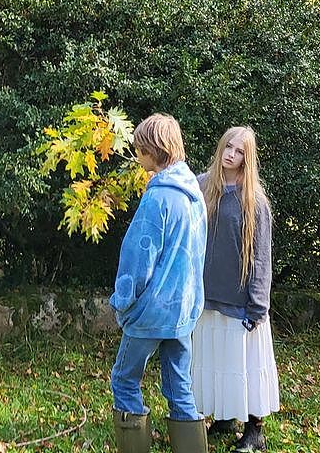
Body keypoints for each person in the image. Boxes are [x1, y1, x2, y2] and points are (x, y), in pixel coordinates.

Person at [110, 113, 208, 453]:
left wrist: (122, 302)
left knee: (124, 380)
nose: (137, 155)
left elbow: (138, 260)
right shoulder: (194, 195)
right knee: (180, 386)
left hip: (151, 314)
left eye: (141, 148)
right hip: (183, 311)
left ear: (154, 149)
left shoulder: (157, 199)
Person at [192, 126, 280, 452]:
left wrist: (258, 305)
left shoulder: (254, 201)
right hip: (208, 295)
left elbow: (261, 256)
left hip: (242, 302)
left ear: (248, 157)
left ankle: (254, 430)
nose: (231, 154)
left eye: (239, 150)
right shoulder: (203, 186)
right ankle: (226, 416)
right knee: (218, 361)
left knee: (245, 365)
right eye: (228, 146)